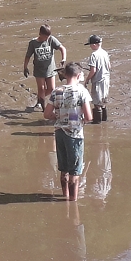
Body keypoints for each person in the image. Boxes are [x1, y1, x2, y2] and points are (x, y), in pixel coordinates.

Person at [44, 63, 93, 201]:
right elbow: (89, 117)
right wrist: (77, 119)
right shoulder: (82, 91)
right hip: (75, 134)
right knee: (75, 171)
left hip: (59, 132)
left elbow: (47, 114)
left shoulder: (57, 91)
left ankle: (64, 195)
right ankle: (72, 202)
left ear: (65, 75)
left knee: (63, 169)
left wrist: (60, 117)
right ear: (79, 75)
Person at [23, 24, 65, 111]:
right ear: (40, 34)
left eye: (48, 36)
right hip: (39, 70)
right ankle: (43, 108)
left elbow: (62, 48)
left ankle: (39, 99)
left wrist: (63, 58)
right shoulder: (33, 43)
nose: (47, 38)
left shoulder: (51, 39)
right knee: (41, 88)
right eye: (45, 36)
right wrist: (25, 67)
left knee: (51, 89)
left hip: (51, 69)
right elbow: (28, 56)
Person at [82, 34, 112, 122]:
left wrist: (87, 79)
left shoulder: (94, 55)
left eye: (90, 45)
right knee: (103, 101)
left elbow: (93, 71)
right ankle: (104, 120)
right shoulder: (105, 52)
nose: (90, 46)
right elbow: (109, 66)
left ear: (94, 44)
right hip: (106, 80)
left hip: (98, 81)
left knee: (96, 103)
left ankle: (97, 123)